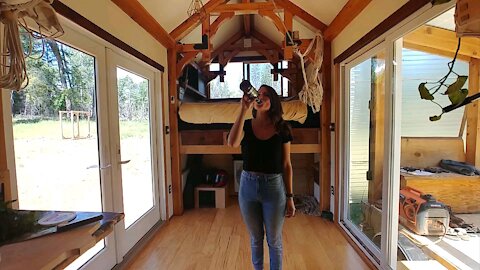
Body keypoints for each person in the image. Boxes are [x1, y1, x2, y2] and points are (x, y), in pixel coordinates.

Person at [227, 83, 295, 270]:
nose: (260, 96)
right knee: (256, 239)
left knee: (274, 239)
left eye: (265, 94)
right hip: (247, 187)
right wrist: (243, 109)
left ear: (272, 102)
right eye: (259, 93)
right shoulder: (247, 126)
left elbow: (286, 165)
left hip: (274, 188)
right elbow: (232, 143)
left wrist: (290, 197)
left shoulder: (283, 128)